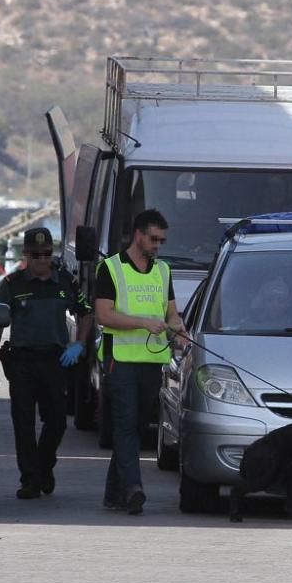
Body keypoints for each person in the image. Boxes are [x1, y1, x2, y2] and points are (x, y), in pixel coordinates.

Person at [0, 227, 93, 499]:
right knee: (23, 423)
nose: (42, 260)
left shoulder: (66, 281)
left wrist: (78, 344)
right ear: (26, 255)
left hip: (55, 361)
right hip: (22, 362)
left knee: (56, 421)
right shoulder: (12, 285)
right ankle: (30, 480)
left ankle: (44, 466)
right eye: (36, 255)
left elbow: (86, 314)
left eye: (46, 254)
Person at [95, 208, 189, 515]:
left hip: (152, 361)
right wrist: (142, 323)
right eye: (153, 239)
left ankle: (113, 493)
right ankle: (134, 489)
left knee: (134, 425)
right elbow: (103, 314)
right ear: (138, 235)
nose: (158, 246)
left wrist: (179, 329)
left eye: (162, 241)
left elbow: (171, 313)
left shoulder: (163, 271)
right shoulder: (110, 268)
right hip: (119, 359)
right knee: (124, 424)